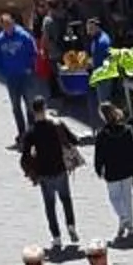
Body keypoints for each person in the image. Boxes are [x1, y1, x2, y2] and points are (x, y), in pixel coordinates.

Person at [17, 100, 83, 251]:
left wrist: (31, 169)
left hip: (44, 173)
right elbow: (74, 140)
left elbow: (25, 155)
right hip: (60, 169)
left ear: (33, 112)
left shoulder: (32, 132)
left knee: (50, 206)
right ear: (45, 108)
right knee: (66, 199)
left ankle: (56, 237)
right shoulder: (56, 125)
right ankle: (71, 225)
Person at [93, 97, 133, 242]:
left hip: (112, 170)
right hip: (127, 168)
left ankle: (123, 218)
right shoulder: (127, 130)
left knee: (114, 198)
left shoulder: (102, 134)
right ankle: (128, 225)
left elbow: (99, 155)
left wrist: (98, 169)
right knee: (127, 198)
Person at [0, 10, 42, 138]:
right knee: (16, 106)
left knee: (30, 104)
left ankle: (32, 131)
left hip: (26, 76)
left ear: (13, 22)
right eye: (4, 25)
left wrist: (30, 67)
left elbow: (34, 52)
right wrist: (4, 72)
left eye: (9, 24)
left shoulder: (23, 36)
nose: (7, 27)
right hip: (11, 78)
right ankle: (22, 133)